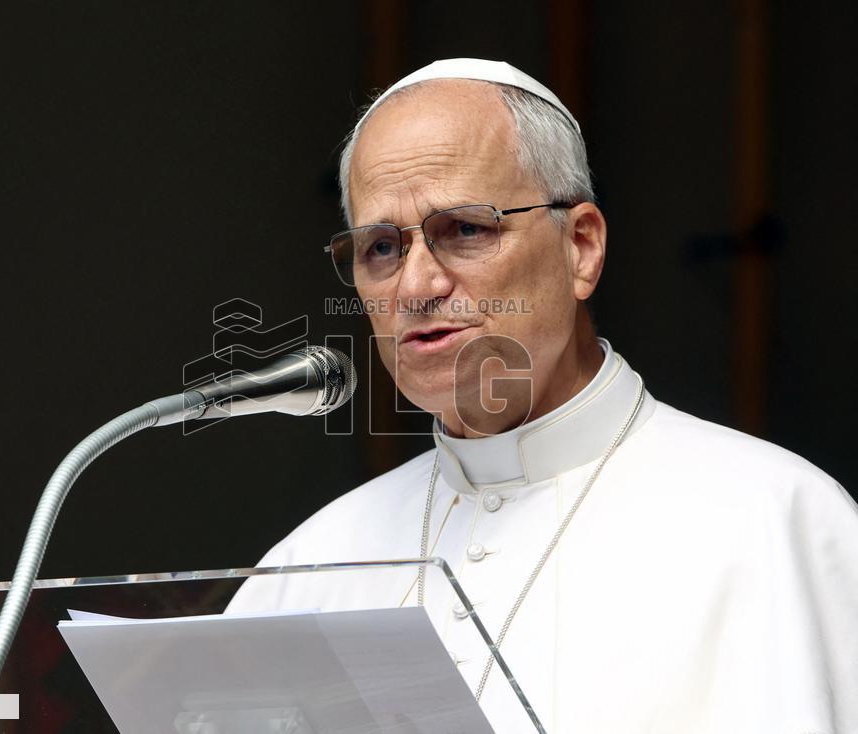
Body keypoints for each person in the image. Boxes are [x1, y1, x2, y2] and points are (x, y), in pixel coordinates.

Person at [228, 58, 858, 733]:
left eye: (465, 229)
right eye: (381, 247)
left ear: (581, 247)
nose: (415, 286)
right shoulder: (307, 570)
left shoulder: (777, 522)